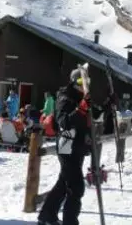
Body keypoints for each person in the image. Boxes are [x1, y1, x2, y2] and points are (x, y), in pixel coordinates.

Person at [38, 65, 103, 225]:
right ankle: (70, 221)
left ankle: (47, 216)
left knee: (63, 184)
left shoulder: (83, 96)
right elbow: (64, 122)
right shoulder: (65, 97)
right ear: (74, 81)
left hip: (78, 147)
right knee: (76, 187)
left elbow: (96, 113)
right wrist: (81, 109)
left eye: (87, 81)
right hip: (67, 146)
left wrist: (108, 104)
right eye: (81, 81)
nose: (83, 84)